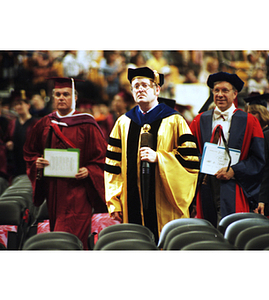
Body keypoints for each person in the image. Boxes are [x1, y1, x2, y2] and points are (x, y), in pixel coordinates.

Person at [104, 67, 200, 243]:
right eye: (136, 86)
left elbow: (190, 162)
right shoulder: (123, 123)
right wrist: (114, 201)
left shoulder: (174, 120)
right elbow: (112, 166)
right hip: (130, 201)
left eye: (145, 85)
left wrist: (160, 158)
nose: (140, 89)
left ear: (157, 90)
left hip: (165, 203)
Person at [23, 77, 108, 249]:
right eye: (58, 94)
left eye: (66, 94)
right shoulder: (44, 123)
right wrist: (36, 163)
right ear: (53, 97)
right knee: (57, 237)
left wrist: (89, 170)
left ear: (74, 98)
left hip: (79, 192)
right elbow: (30, 152)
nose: (61, 97)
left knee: (72, 239)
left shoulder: (87, 124)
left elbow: (103, 158)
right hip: (54, 191)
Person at [190, 72, 265, 227]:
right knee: (208, 232)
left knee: (232, 231)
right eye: (216, 90)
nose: (220, 95)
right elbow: (190, 154)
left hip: (234, 186)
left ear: (235, 93)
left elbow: (258, 159)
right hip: (205, 186)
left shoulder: (249, 122)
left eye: (225, 90)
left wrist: (234, 171)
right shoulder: (200, 120)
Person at [6, 90, 38, 178]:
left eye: (21, 104)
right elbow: (7, 138)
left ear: (28, 105)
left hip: (31, 163)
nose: (18, 107)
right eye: (16, 104)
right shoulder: (12, 123)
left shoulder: (36, 123)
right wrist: (8, 144)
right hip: (15, 163)